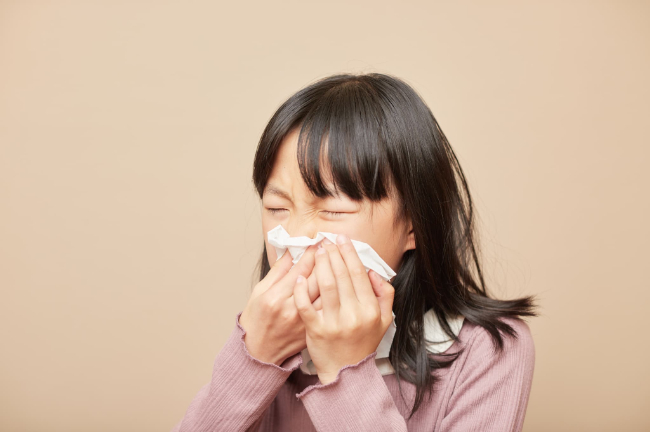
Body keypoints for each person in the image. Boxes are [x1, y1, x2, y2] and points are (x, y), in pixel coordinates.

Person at [170, 73, 537, 431]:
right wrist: (256, 358)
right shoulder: (270, 333)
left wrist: (345, 370)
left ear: (414, 225)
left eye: (334, 211)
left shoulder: (489, 349)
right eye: (277, 209)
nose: (297, 235)